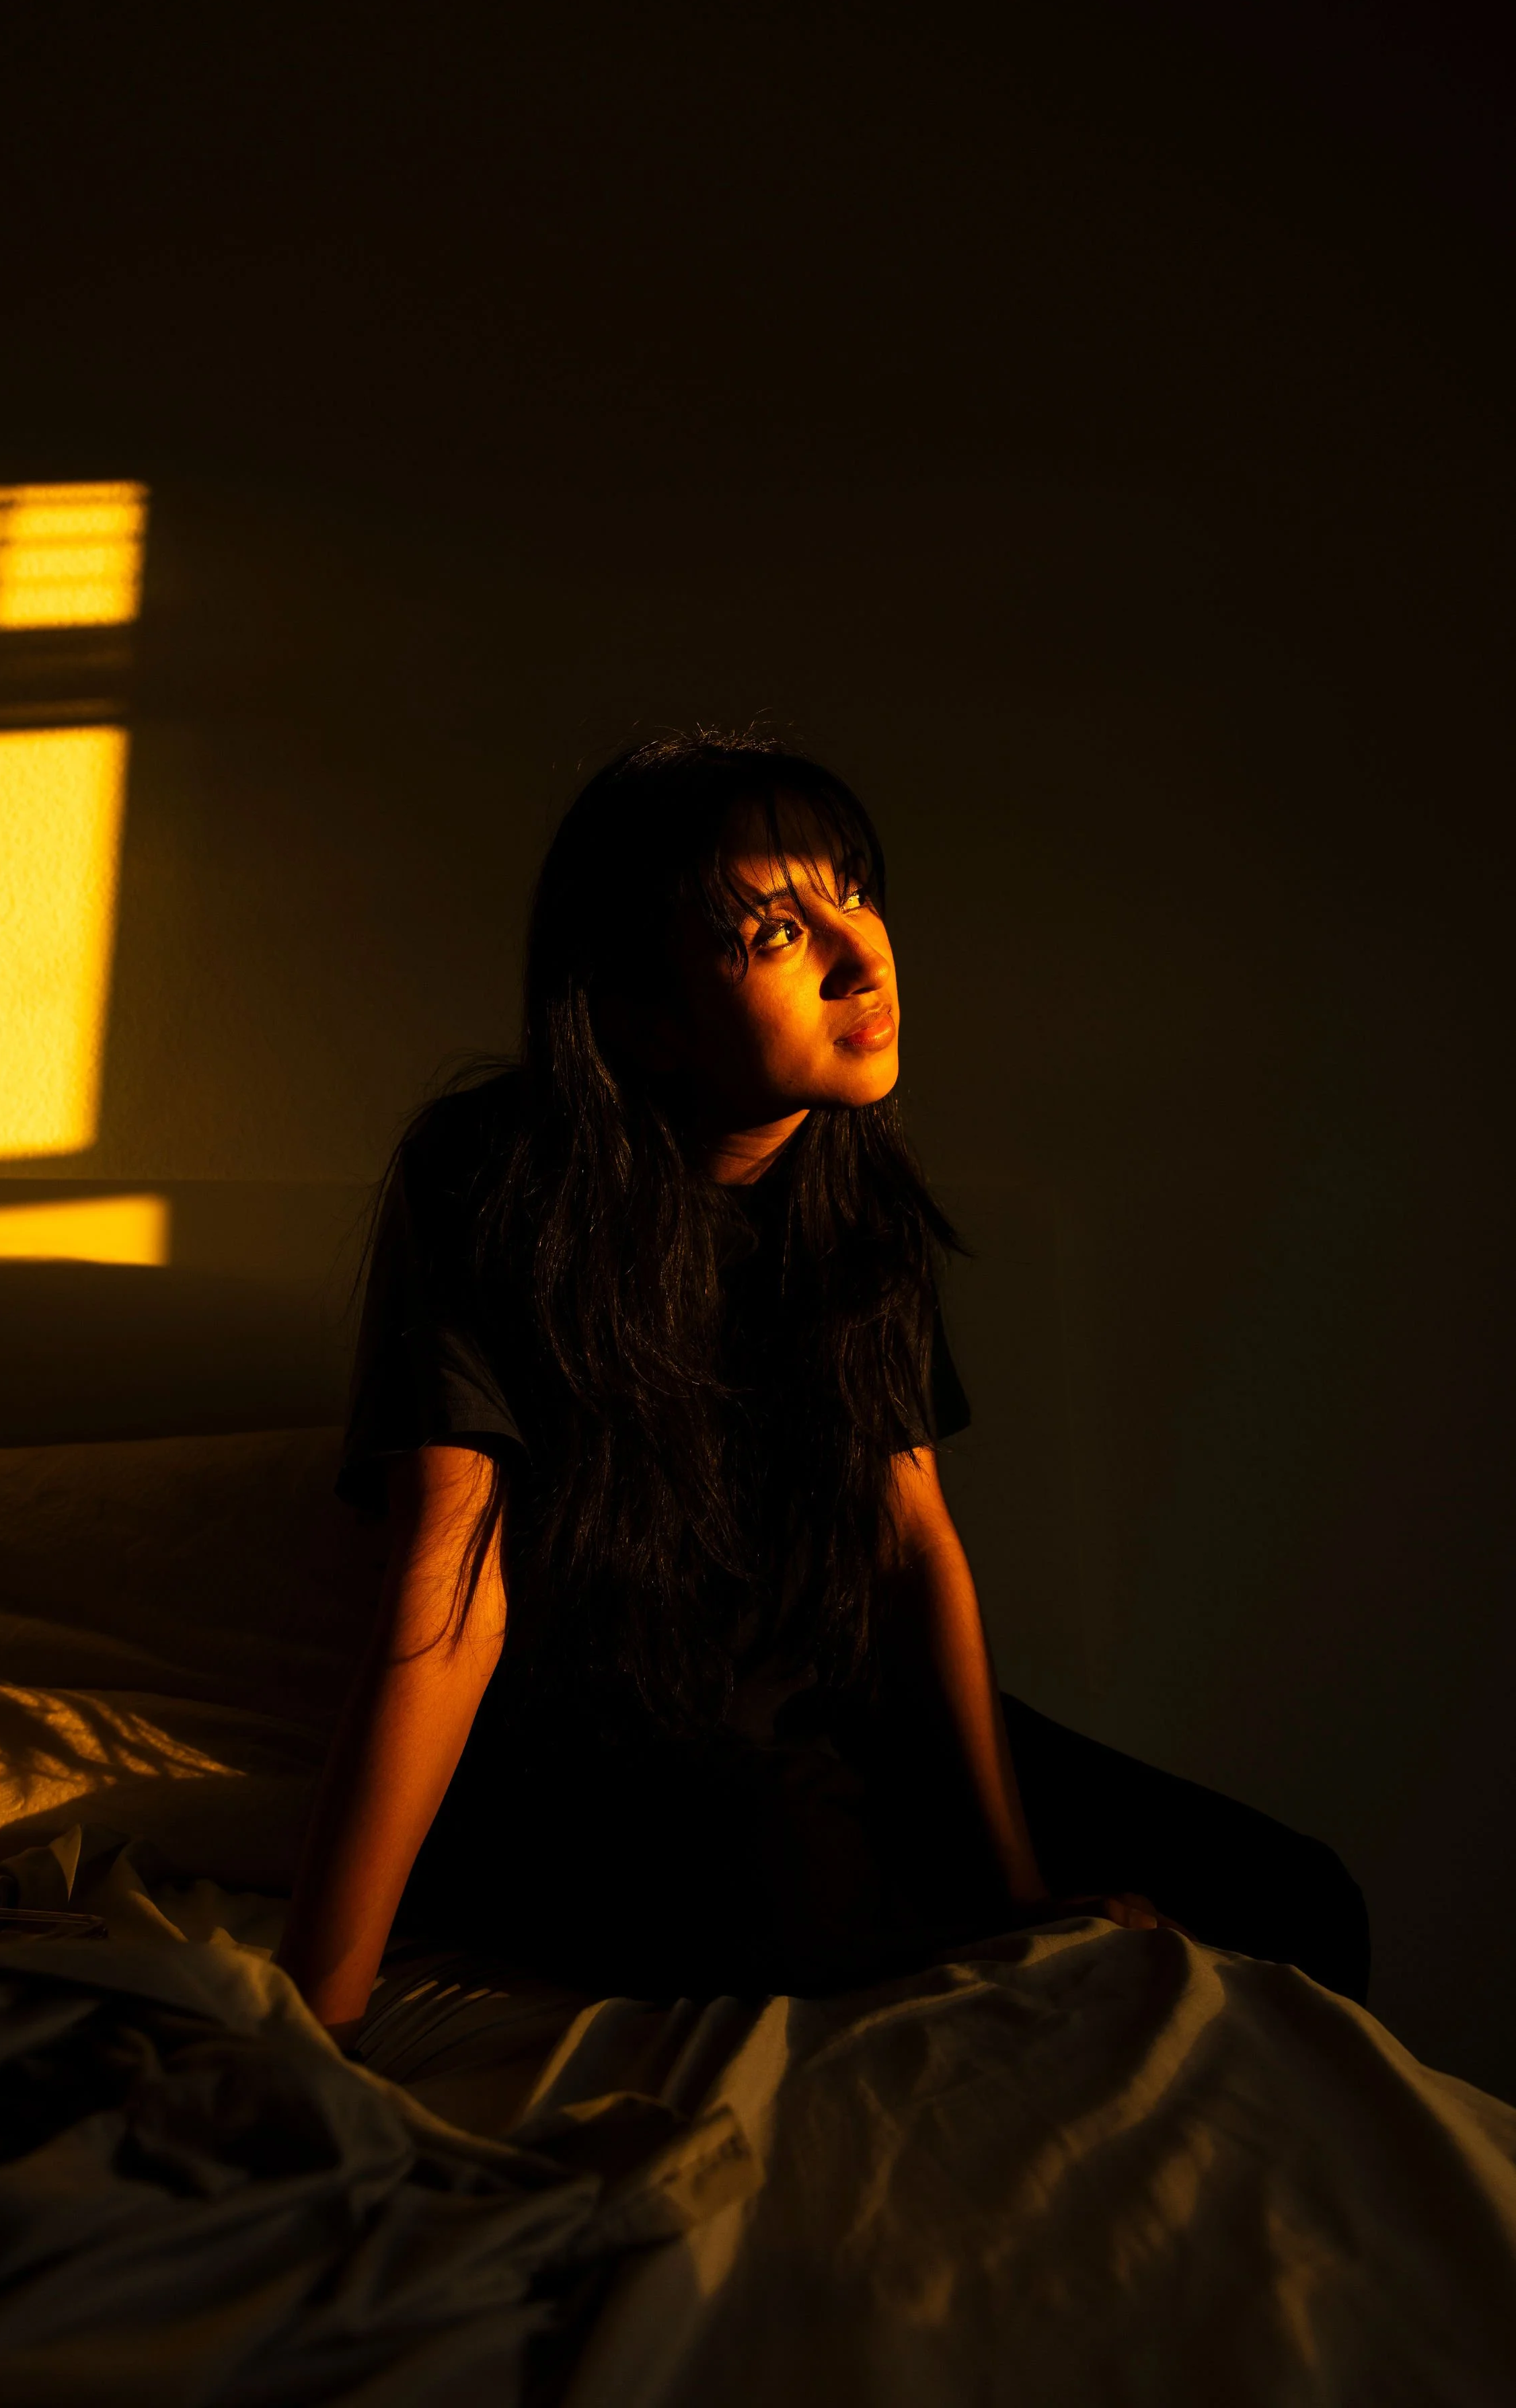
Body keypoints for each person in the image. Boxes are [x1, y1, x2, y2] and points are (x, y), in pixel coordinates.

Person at [276, 731, 1369, 2043]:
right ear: (640, 1016)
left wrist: (1017, 1889)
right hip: (607, 1755)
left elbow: (913, 1550)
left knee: (1300, 1900)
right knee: (789, 1888)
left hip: (828, 1708)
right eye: (780, 931)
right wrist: (311, 2013)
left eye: (852, 891)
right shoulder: (489, 1178)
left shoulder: (860, 1213)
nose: (865, 953)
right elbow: (450, 1592)